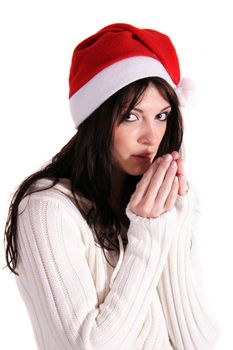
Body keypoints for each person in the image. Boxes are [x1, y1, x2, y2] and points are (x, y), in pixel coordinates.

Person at [4, 23, 219, 349]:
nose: (151, 136)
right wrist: (148, 234)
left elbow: (198, 341)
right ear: (98, 119)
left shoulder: (155, 203)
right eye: (132, 116)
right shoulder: (47, 209)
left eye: (161, 115)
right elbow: (86, 346)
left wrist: (171, 220)